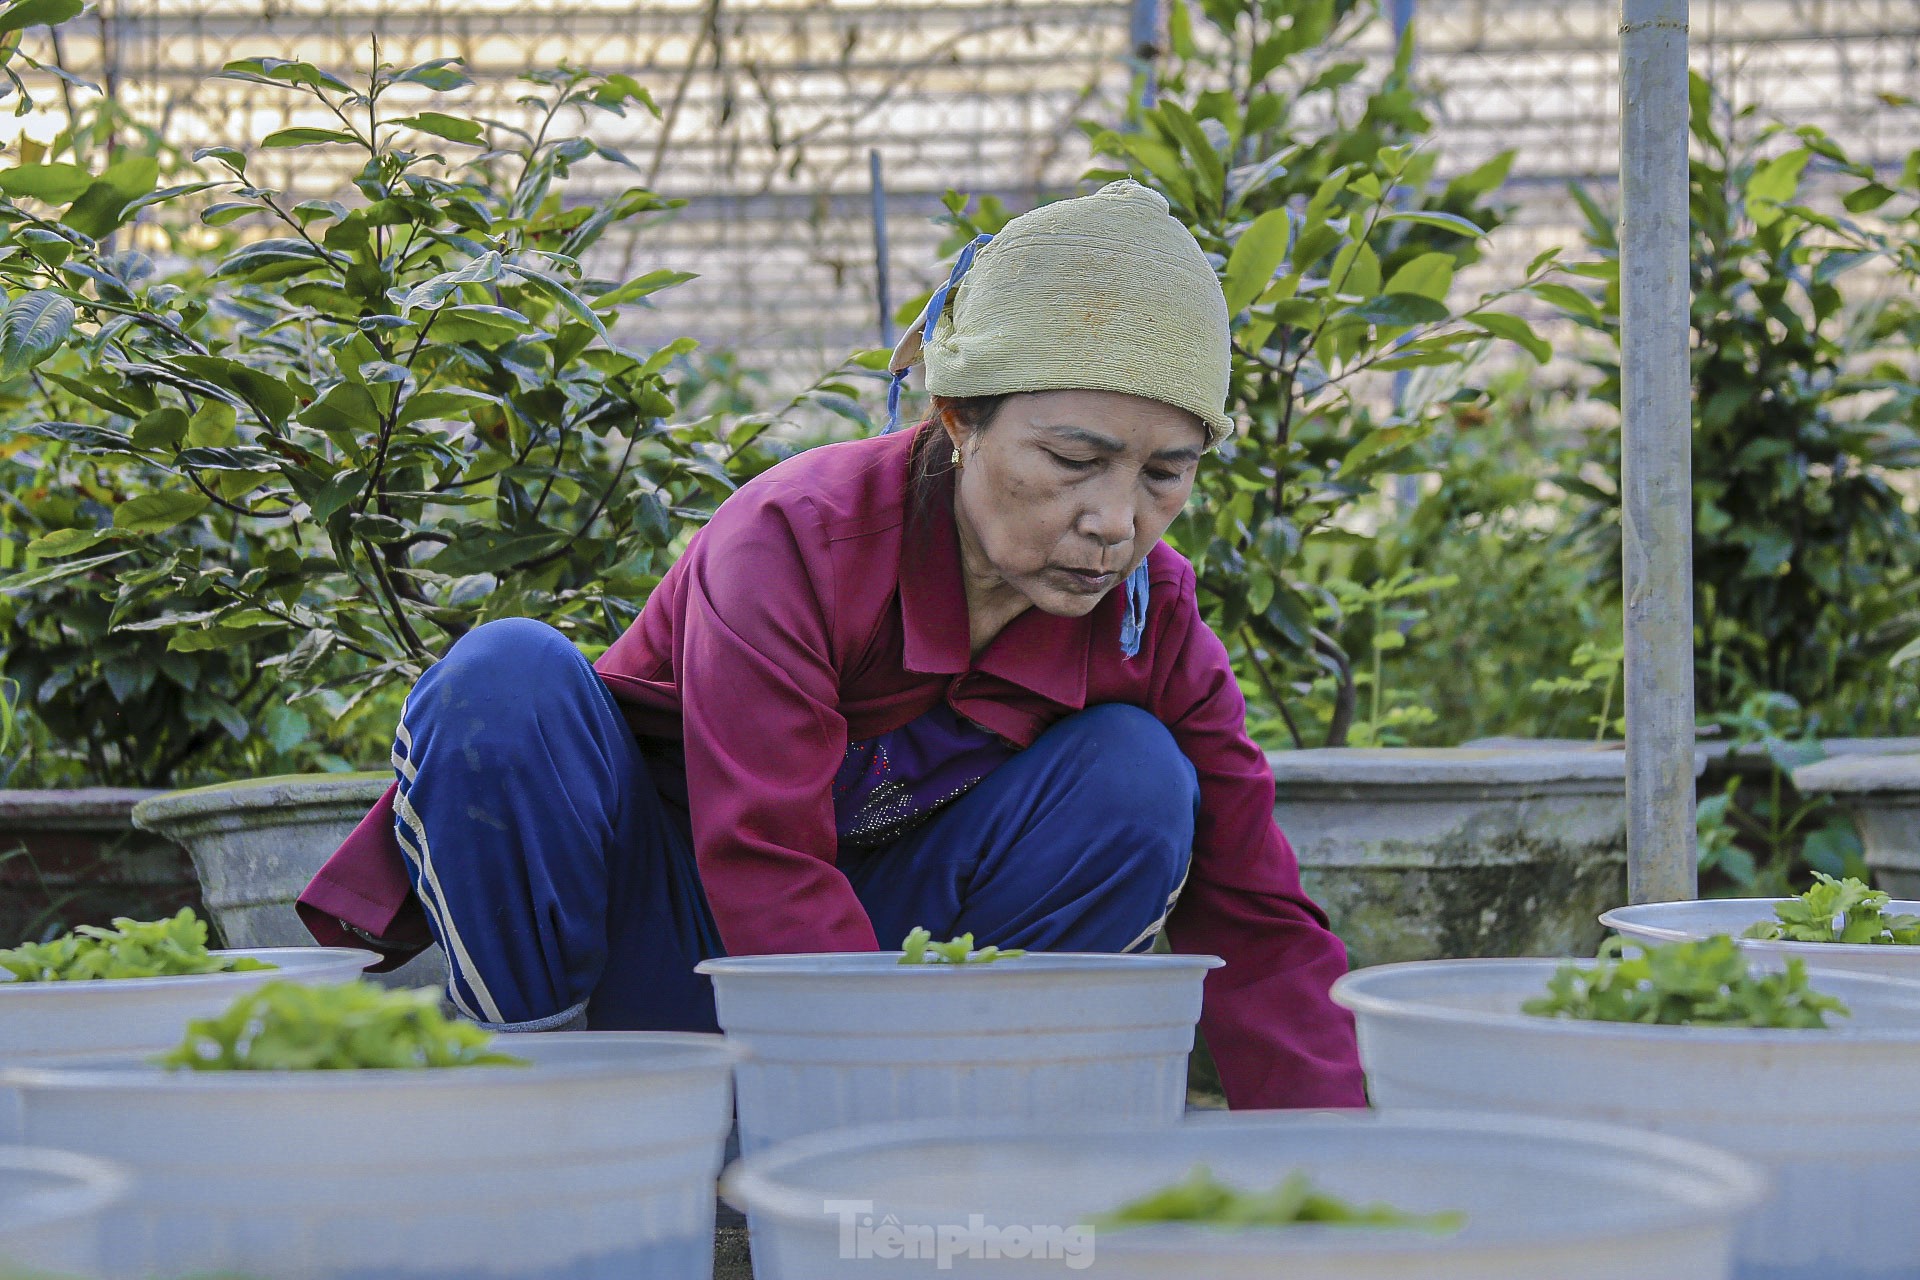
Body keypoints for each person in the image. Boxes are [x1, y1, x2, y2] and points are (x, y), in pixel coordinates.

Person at [299, 179, 1366, 1108]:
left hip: (899, 975)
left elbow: (1257, 907)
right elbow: (761, 857)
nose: (1114, 520)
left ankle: (970, 1116)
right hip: (662, 947)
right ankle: (544, 1110)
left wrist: (1352, 1156)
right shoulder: (798, 539)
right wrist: (856, 1094)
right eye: (1073, 458)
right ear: (958, 418)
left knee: (1137, 777)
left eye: (1163, 473)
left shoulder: (1150, 612)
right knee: (504, 682)